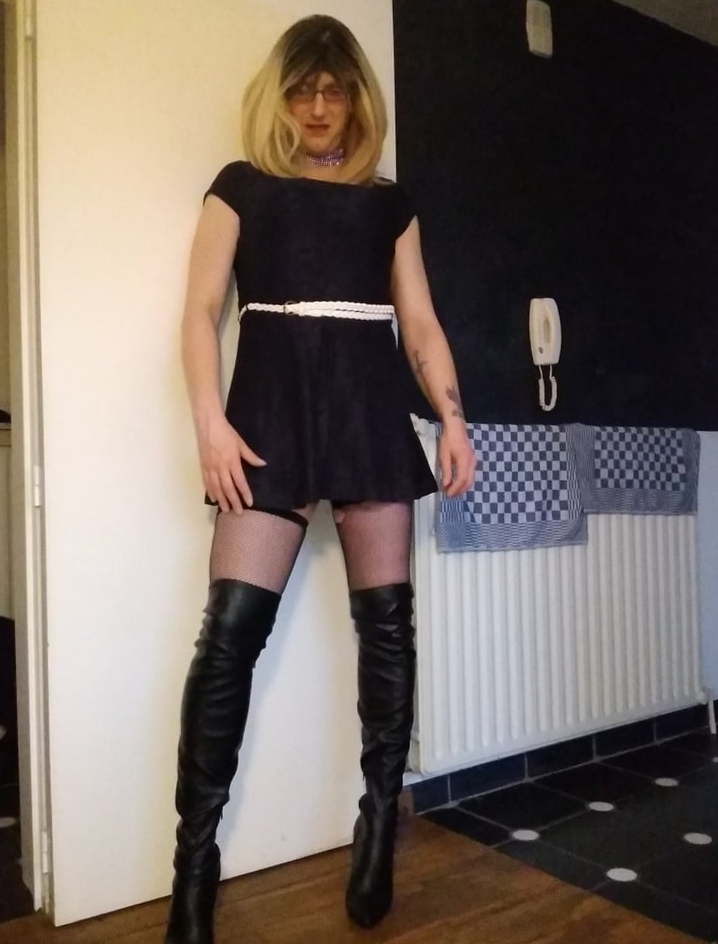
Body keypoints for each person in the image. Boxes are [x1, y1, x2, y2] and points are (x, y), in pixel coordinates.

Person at [165, 13, 477, 943]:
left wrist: (453, 418)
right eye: (303, 89)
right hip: (268, 415)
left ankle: (379, 820)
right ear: (281, 94)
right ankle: (194, 869)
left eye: (334, 90)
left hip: (369, 411)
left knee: (388, 631)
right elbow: (200, 311)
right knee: (228, 639)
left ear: (356, 100)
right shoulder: (240, 187)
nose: (317, 105)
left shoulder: (389, 204)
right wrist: (210, 422)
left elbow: (420, 325)